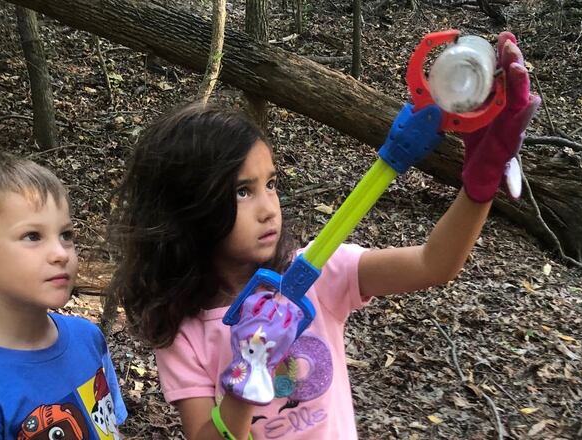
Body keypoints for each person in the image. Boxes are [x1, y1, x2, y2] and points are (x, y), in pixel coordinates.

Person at [109, 31, 539, 440]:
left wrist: (480, 183)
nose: (268, 207)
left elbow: (434, 264)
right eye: (242, 192)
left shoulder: (317, 271)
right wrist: (248, 371)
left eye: (271, 184)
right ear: (186, 209)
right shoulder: (182, 330)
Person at [0, 152, 127, 439]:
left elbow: (110, 428)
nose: (61, 253)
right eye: (32, 236)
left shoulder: (88, 337)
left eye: (66, 235)